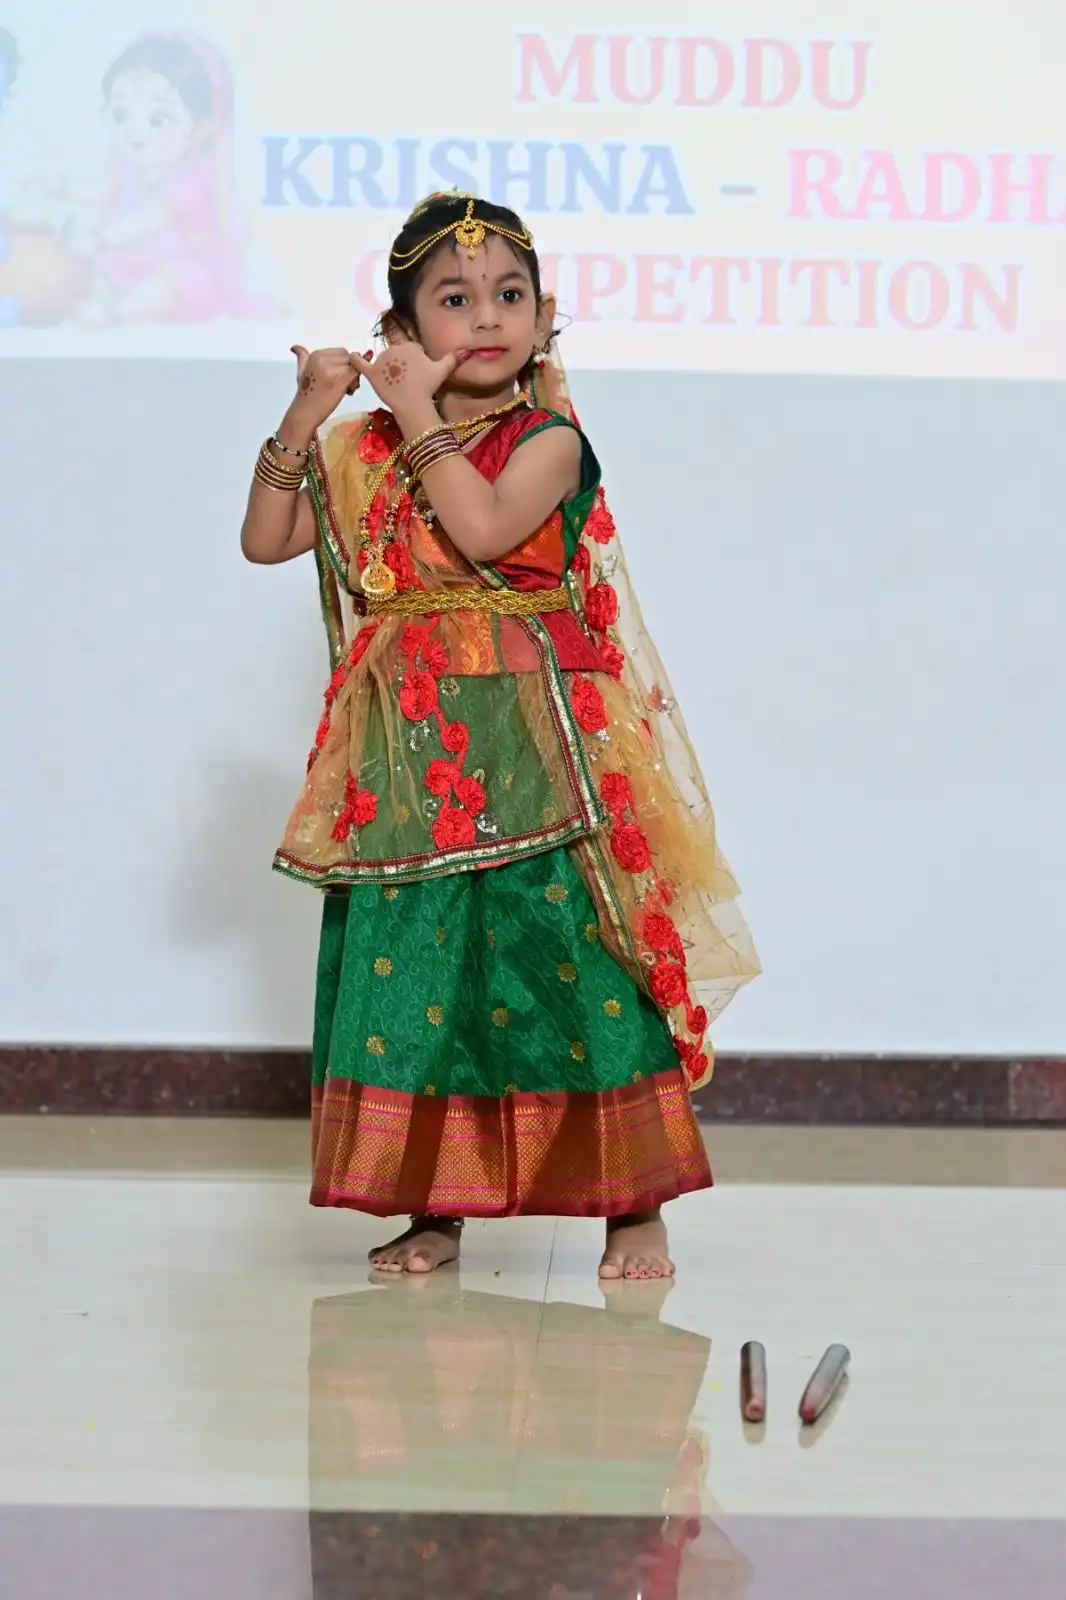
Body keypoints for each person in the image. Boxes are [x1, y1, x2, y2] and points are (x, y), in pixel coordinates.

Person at [241, 192, 759, 1279]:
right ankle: (437, 1206)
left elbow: (479, 528)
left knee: (572, 962)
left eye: (510, 296)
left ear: (543, 315)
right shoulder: (363, 449)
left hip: (537, 745)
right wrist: (309, 412)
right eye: (454, 299)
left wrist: (412, 415)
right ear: (401, 332)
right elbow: (266, 539)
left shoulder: (550, 441)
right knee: (425, 971)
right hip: (410, 757)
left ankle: (637, 1205)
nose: (487, 317)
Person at [35, 30, 260, 325]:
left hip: (179, 274)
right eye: (120, 115)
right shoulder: (127, 168)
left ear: (203, 129)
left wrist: (99, 238)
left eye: (158, 120)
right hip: (128, 265)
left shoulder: (190, 181)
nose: (134, 132)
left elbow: (150, 219)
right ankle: (100, 302)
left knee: (167, 283)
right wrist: (63, 188)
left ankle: (114, 315)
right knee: (83, 272)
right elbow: (106, 192)